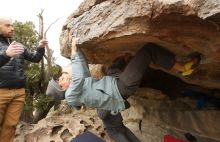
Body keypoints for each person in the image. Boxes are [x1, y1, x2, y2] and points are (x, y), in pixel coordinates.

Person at [46, 36, 200, 112]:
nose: (63, 76)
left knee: (115, 64)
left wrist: (77, 50)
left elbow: (84, 71)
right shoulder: (71, 95)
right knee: (148, 50)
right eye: (60, 79)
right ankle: (182, 68)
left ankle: (128, 59)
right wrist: (73, 51)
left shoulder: (75, 91)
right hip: (121, 88)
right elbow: (79, 77)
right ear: (61, 87)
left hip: (114, 82)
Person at [0, 16, 48, 142]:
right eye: (8, 25)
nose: (12, 28)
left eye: (12, 25)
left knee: (10, 126)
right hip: (1, 92)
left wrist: (40, 47)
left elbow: (35, 58)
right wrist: (5, 55)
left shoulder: (19, 45)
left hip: (19, 93)